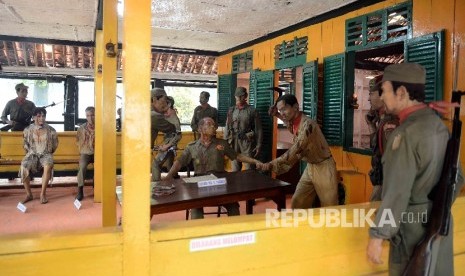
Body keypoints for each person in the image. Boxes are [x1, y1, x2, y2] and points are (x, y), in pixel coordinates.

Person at [366, 63, 464, 275]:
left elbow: (396, 193)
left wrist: (378, 235)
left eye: (385, 91)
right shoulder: (439, 127)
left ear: (401, 92)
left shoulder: (405, 135)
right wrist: (436, 206)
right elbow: (458, 178)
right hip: (439, 224)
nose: (382, 97)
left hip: (411, 232)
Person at [164, 117, 262, 219]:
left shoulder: (222, 144)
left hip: (220, 182)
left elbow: (236, 156)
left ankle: (234, 232)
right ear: (200, 129)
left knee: (233, 206)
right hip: (199, 185)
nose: (214, 127)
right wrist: (167, 178)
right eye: (209, 124)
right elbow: (179, 163)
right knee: (196, 209)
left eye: (214, 125)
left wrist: (254, 161)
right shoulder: (191, 147)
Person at [260, 94, 338, 209]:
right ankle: (303, 227)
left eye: (284, 109)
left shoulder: (308, 125)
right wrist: (276, 114)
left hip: (324, 167)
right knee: (298, 203)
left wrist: (272, 163)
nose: (282, 113)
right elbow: (290, 125)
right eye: (280, 110)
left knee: (330, 207)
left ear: (296, 107)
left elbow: (296, 149)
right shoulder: (295, 122)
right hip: (311, 167)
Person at [365, 75, 399, 201]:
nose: (369, 99)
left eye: (371, 94)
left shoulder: (391, 122)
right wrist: (371, 125)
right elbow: (377, 147)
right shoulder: (383, 119)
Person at [19, 107, 58, 204]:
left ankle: (43, 194)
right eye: (39, 116)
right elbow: (25, 144)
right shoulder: (28, 130)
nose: (42, 118)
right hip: (32, 154)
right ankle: (29, 194)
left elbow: (54, 145)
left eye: (43, 116)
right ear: (33, 117)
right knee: (23, 167)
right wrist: (30, 153)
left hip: (46, 154)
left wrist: (47, 152)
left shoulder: (51, 130)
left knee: (48, 165)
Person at [224, 87, 262, 171]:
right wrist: (225, 142)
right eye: (238, 96)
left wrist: (258, 144)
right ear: (235, 97)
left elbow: (258, 129)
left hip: (246, 142)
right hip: (233, 141)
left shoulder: (252, 110)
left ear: (246, 96)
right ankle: (236, 184)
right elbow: (227, 126)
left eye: (242, 96)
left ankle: (250, 184)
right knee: (235, 168)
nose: (240, 98)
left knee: (249, 168)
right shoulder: (231, 110)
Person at [150, 88, 182, 181]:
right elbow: (174, 132)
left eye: (166, 103)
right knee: (164, 165)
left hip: (170, 143)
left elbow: (177, 134)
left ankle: (158, 185)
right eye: (163, 101)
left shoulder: (170, 115)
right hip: (168, 143)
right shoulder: (159, 115)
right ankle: (164, 185)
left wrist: (167, 145)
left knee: (160, 164)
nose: (164, 105)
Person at [75, 106, 95, 201]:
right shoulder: (81, 128)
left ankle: (97, 187)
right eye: (88, 115)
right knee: (82, 166)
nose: (90, 118)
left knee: (101, 165)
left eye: (92, 115)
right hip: (86, 152)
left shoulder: (101, 127)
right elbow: (78, 141)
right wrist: (84, 149)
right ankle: (80, 190)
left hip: (98, 153)